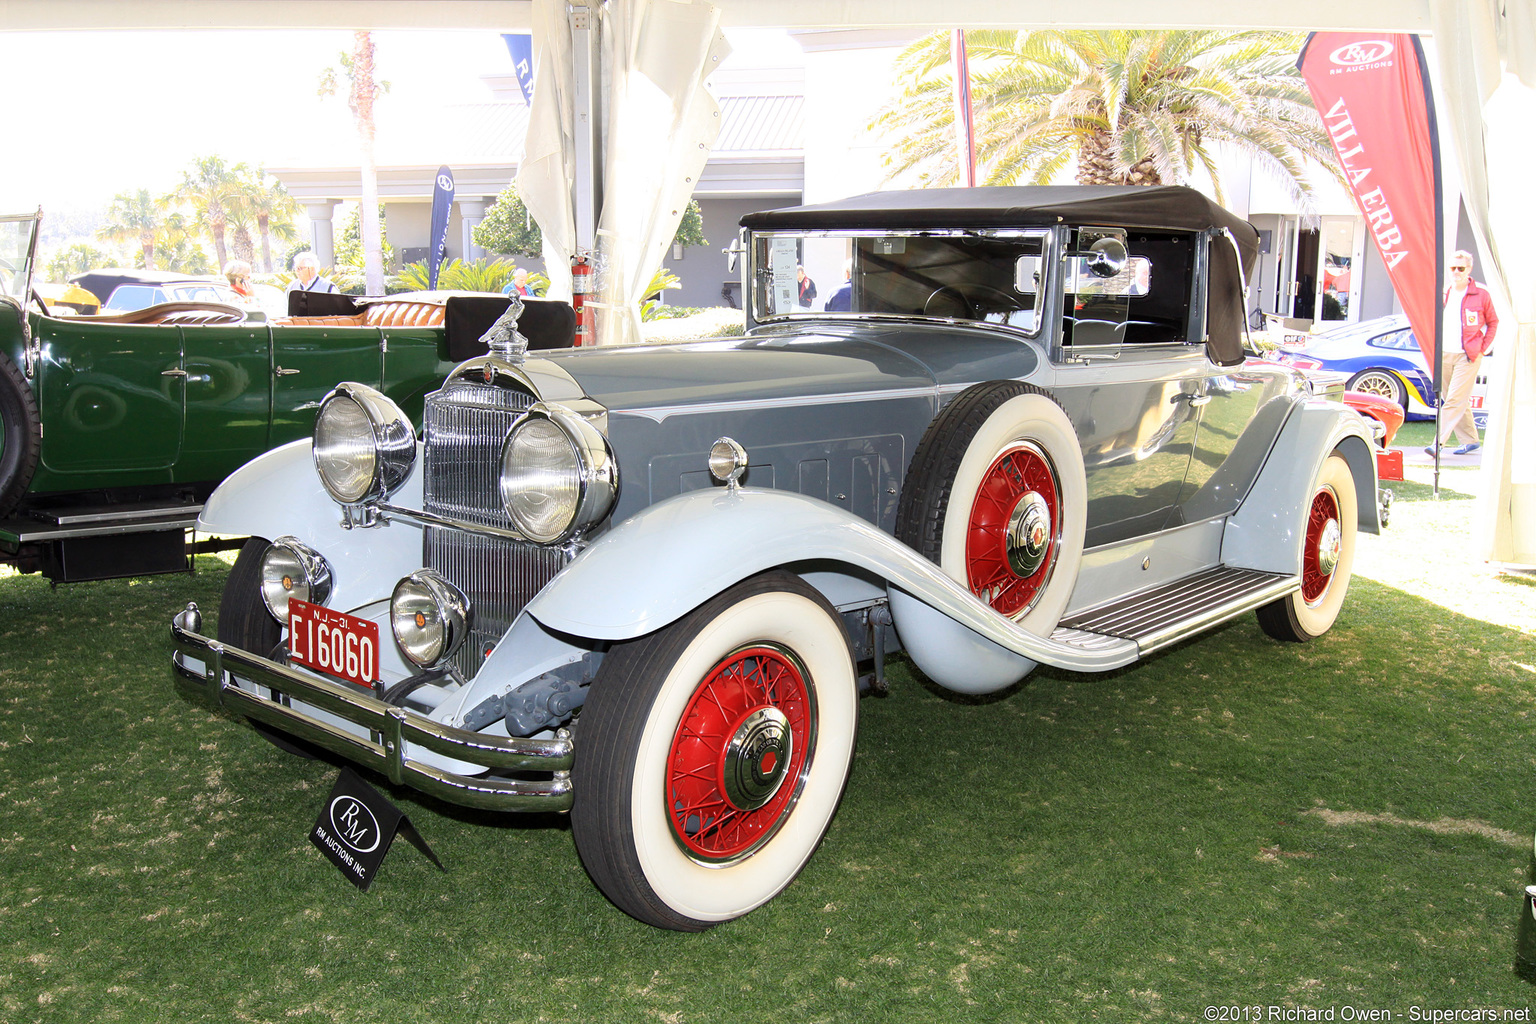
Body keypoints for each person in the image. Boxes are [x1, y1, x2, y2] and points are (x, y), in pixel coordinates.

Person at [1427, 249, 1498, 457]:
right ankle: (1471, 440)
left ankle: (1438, 443)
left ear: (1469, 269)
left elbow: (1494, 322)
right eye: (1453, 268)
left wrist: (1483, 348)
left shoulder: (1482, 294)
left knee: (1453, 400)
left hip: (1468, 355)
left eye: (1461, 268)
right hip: (1444, 354)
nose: (1456, 272)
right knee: (1454, 397)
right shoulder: (1443, 292)